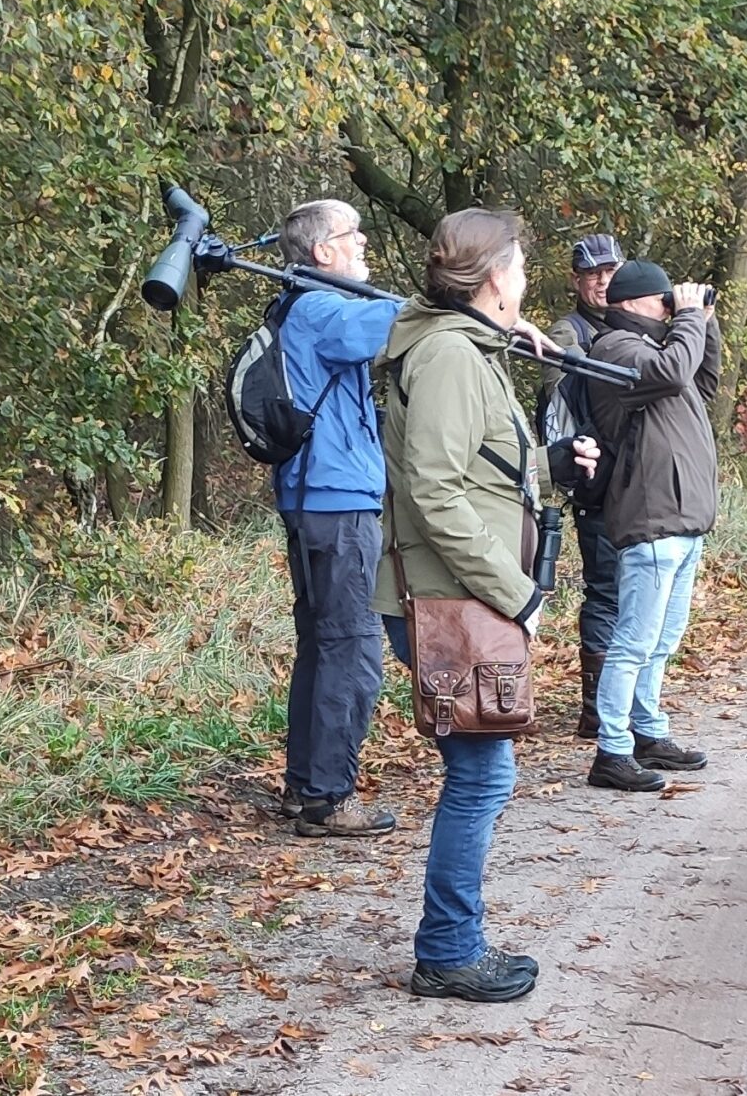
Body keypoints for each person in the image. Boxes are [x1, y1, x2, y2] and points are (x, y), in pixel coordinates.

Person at [372, 208, 553, 1003]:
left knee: (483, 771)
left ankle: (452, 941)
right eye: (518, 267)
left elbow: (481, 462)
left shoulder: (463, 345)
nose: (524, 280)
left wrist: (557, 463)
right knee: (482, 776)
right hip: (446, 599)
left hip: (456, 593)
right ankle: (448, 950)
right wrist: (518, 593)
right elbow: (434, 489)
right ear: (492, 277)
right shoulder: (449, 353)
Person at [270, 197, 399, 838]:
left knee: (321, 647)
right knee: (352, 649)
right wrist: (457, 303)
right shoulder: (321, 309)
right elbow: (391, 325)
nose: (364, 245)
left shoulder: (295, 305)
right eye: (354, 235)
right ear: (323, 251)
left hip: (311, 498)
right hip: (336, 502)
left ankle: (305, 786)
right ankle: (327, 799)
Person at [581, 259, 720, 793]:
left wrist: (704, 322)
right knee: (634, 640)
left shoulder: (663, 350)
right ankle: (612, 749)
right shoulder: (616, 348)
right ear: (636, 302)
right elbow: (672, 373)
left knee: (662, 638)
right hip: (652, 515)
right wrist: (686, 319)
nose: (671, 308)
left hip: (681, 518)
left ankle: (646, 730)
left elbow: (701, 379)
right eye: (666, 301)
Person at [548, 234, 623, 737]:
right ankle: (596, 707)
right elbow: (559, 375)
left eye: (610, 271)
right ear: (576, 280)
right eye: (592, 273)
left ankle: (627, 696)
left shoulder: (640, 321)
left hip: (639, 480)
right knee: (606, 589)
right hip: (594, 479)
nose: (601, 281)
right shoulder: (565, 330)